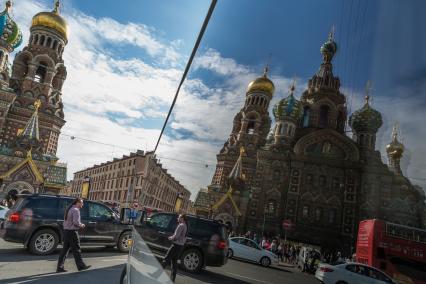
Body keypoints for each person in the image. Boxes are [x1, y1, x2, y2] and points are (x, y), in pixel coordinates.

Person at [57, 198, 91, 273]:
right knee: (77, 249)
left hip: (66, 231)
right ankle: (81, 266)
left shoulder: (69, 209)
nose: (83, 204)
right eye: (82, 203)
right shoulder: (76, 210)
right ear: (77, 203)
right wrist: (82, 225)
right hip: (72, 232)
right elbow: (76, 222)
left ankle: (59, 267)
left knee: (64, 250)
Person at [162, 214, 188, 282]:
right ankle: (172, 280)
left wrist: (170, 238)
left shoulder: (181, 225)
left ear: (182, 218)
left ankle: (155, 275)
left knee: (166, 259)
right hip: (180, 246)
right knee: (174, 263)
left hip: (175, 245)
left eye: (179, 217)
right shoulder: (185, 225)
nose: (177, 218)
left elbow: (176, 237)